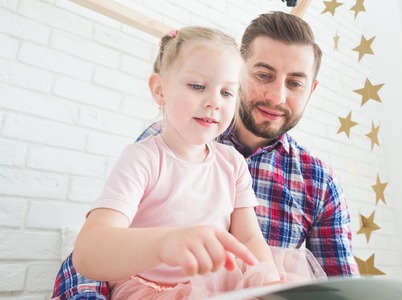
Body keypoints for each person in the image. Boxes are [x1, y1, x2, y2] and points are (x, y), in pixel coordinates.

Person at [52, 11, 358, 300]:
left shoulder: (266, 171)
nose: (213, 102)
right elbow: (91, 253)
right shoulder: (150, 151)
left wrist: (269, 282)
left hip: (223, 285)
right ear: (160, 90)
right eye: (264, 75)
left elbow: (253, 241)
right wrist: (163, 244)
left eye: (226, 92)